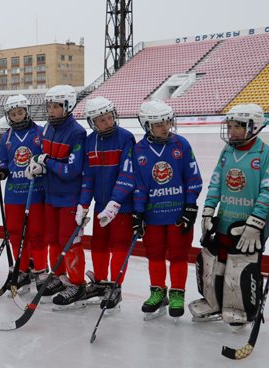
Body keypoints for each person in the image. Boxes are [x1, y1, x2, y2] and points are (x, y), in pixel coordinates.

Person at [190, 103, 269, 331]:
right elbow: (215, 184)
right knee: (215, 262)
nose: (232, 131)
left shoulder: (265, 153)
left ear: (254, 127)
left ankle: (242, 308)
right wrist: (208, 211)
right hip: (225, 222)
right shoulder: (227, 151)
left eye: (238, 127)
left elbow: (267, 191)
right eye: (230, 126)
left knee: (241, 265)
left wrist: (255, 223)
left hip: (249, 227)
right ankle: (215, 303)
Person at [132, 100, 202, 318]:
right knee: (154, 253)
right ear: (147, 125)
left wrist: (190, 206)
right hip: (153, 216)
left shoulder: (182, 145)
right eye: (158, 124)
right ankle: (158, 292)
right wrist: (138, 212)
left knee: (179, 254)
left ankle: (178, 293)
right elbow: (139, 185)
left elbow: (193, 178)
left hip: (177, 214)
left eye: (167, 122)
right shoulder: (139, 150)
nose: (164, 127)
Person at [26, 85, 87, 307]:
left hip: (69, 197)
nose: (51, 111)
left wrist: (46, 163)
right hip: (50, 195)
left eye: (56, 107)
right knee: (53, 239)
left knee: (69, 242)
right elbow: (43, 156)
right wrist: (38, 165)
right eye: (49, 106)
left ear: (68, 107)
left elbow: (70, 171)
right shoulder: (47, 128)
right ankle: (59, 277)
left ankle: (77, 284)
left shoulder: (77, 132)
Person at [76, 96, 136, 310]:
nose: (108, 123)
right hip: (101, 205)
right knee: (98, 243)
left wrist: (115, 203)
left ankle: (115, 286)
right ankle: (100, 283)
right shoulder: (89, 141)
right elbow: (88, 177)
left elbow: (127, 174)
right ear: (93, 122)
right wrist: (83, 205)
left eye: (110, 118)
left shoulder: (126, 138)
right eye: (102, 120)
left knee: (120, 244)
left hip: (122, 206)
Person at [0, 95, 47, 292]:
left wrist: (41, 166)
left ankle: (41, 271)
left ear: (27, 111)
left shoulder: (40, 133)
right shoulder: (7, 136)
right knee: (16, 235)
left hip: (36, 192)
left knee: (38, 234)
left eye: (20, 112)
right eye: (13, 114)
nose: (17, 117)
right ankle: (21, 272)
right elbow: (5, 161)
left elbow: (47, 158)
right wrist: (2, 172)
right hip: (14, 194)